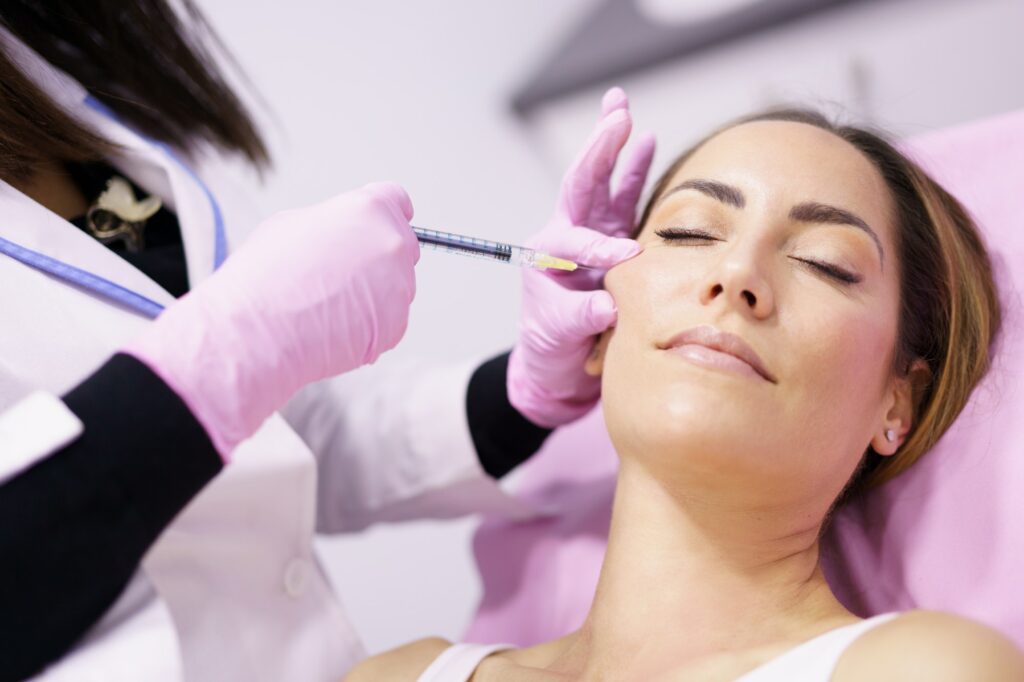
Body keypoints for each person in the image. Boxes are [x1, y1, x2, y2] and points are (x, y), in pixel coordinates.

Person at [0, 3, 652, 680]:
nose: (731, 282)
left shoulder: (62, 75)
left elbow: (288, 436)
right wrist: (233, 349)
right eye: (694, 231)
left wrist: (522, 395)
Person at [350, 109, 1024, 680]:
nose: (736, 273)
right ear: (600, 323)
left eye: (826, 263)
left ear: (896, 403)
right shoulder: (402, 674)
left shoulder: (923, 669)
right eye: (689, 232)